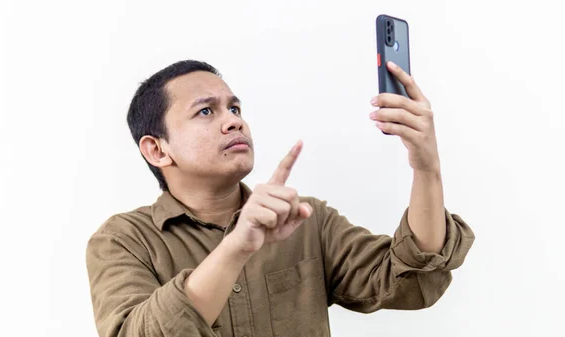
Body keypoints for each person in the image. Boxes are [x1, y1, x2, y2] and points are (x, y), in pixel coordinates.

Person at [86, 60, 475, 337]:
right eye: (206, 111)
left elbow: (413, 279)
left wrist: (427, 168)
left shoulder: (304, 219)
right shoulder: (122, 240)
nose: (233, 120)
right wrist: (237, 247)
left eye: (234, 108)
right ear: (156, 150)